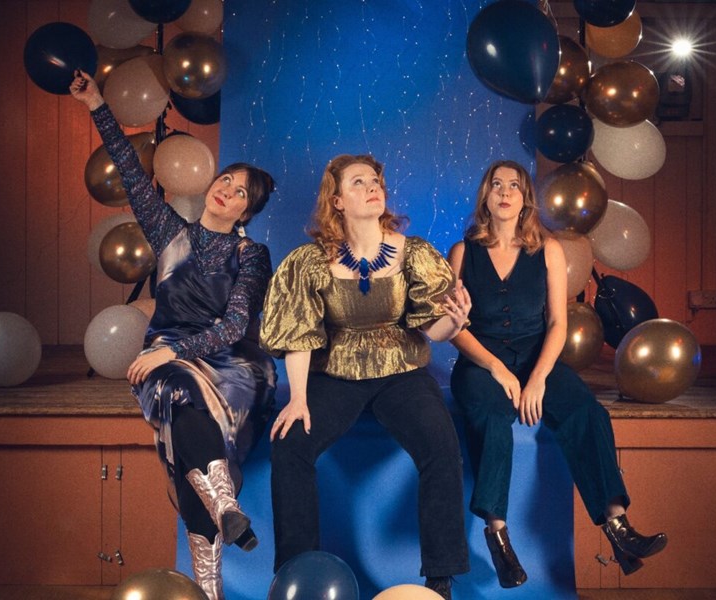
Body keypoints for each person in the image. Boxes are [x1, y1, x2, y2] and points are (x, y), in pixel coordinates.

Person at [70, 71, 276, 600]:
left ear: (246, 212)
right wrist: (97, 104)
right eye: (225, 181)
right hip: (168, 361)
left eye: (238, 194)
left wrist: (171, 350)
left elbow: (234, 326)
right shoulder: (170, 234)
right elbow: (133, 174)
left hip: (232, 364)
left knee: (182, 415)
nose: (226, 191)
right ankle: (225, 513)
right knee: (178, 397)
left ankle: (214, 572)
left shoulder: (251, 255)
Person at [259, 154, 471, 599]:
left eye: (375, 181)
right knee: (290, 445)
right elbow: (300, 334)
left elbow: (433, 328)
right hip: (335, 370)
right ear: (336, 200)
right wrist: (298, 398)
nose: (373, 187)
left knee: (441, 446)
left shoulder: (414, 253)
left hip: (401, 370)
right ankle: (297, 571)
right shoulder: (310, 262)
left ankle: (440, 577)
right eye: (358, 183)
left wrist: (455, 322)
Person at [448, 160, 667, 588]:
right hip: (480, 361)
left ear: (526, 197)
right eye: (496, 185)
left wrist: (537, 379)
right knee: (494, 421)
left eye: (515, 185)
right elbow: (453, 329)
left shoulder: (548, 249)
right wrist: (496, 368)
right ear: (485, 197)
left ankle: (618, 528)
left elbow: (557, 325)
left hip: (537, 354)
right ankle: (497, 535)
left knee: (587, 411)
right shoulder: (461, 252)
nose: (505, 191)